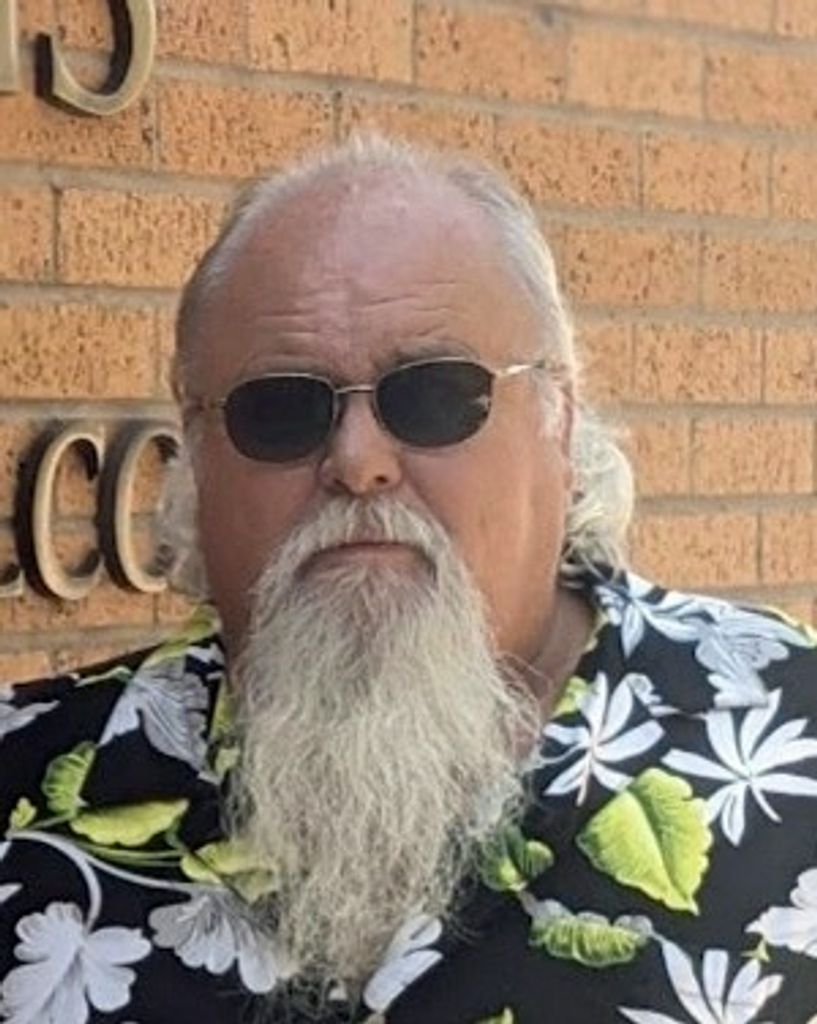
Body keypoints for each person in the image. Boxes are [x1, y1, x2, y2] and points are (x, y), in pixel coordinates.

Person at [1, 136, 816, 1024]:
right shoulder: (22, 791)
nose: (358, 461)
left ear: (558, 416)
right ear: (195, 453)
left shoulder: (794, 738)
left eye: (434, 395)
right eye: (282, 409)